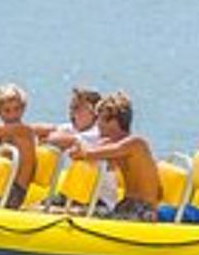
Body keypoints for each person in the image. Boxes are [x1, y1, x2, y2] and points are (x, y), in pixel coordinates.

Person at [68, 92, 165, 220]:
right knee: (74, 212)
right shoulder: (114, 144)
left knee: (86, 216)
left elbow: (89, 153)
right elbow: (83, 152)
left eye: (100, 119)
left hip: (143, 210)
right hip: (126, 205)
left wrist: (83, 151)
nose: (97, 125)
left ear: (113, 122)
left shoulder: (136, 144)